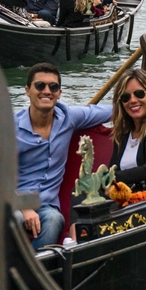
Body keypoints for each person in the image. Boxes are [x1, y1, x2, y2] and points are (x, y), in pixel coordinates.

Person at [16, 63, 112, 248]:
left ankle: (34, 269)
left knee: (54, 220)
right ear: (27, 90)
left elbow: (116, 109)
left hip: (48, 207)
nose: (47, 91)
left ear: (59, 93)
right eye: (40, 86)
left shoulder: (68, 116)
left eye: (53, 87)